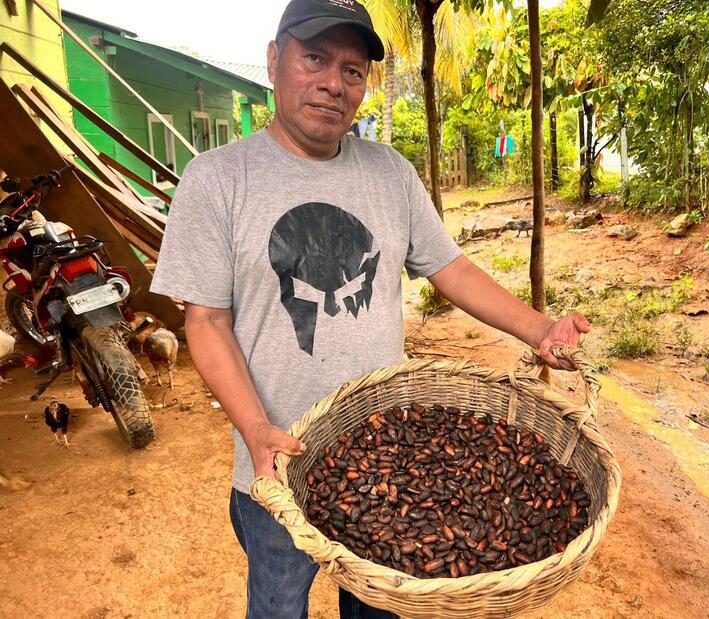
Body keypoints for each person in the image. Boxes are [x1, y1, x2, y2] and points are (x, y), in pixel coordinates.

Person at [150, 0, 590, 617]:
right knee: (277, 606)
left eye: (353, 70)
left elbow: (452, 268)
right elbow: (206, 321)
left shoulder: (390, 173)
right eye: (315, 59)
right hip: (278, 460)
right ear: (274, 62)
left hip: (387, 450)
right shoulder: (216, 179)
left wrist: (540, 328)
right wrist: (254, 429)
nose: (334, 83)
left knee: (380, 609)